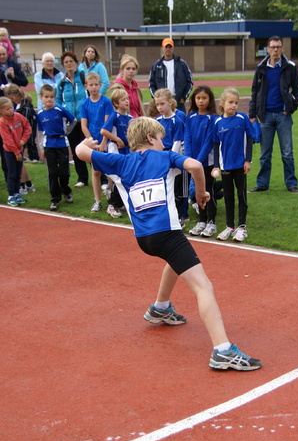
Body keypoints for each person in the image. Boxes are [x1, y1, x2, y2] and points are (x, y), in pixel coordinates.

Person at [76, 116, 262, 371]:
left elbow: (80, 151)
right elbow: (196, 166)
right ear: (151, 138)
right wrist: (200, 193)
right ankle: (222, 350)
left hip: (144, 239)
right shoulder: (164, 157)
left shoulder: (120, 161)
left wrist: (86, 142)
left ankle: (160, 308)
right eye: (161, 138)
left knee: (175, 260)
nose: (163, 142)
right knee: (203, 287)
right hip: (167, 234)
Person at [248, 36, 298, 193]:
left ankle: (291, 184)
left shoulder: (290, 67)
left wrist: (290, 108)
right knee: (265, 154)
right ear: (268, 49)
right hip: (265, 116)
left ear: (283, 48)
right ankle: (262, 184)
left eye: (278, 47)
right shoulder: (261, 68)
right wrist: (253, 114)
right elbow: (255, 92)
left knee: (287, 152)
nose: (275, 50)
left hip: (283, 115)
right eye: (273, 47)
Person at [212, 88, 254, 242]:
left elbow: (249, 140)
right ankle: (229, 226)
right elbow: (216, 146)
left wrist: (248, 160)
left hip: (240, 165)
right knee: (228, 197)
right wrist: (216, 165)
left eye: (236, 103)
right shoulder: (217, 122)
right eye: (231, 102)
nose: (234, 105)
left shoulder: (242, 119)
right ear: (222, 104)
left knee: (241, 196)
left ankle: (241, 227)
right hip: (225, 166)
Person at [185, 85, 218, 238]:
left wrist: (197, 162)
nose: (201, 101)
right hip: (194, 162)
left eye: (204, 98)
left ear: (210, 99)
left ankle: (211, 222)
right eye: (198, 98)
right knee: (199, 191)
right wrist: (190, 160)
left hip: (207, 162)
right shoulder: (191, 117)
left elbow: (209, 142)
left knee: (208, 191)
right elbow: (188, 138)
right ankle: (202, 221)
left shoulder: (213, 118)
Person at [37, 84, 75, 211]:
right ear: (41, 97)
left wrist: (66, 132)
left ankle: (66, 190)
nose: (49, 99)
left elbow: (73, 120)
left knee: (64, 172)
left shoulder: (60, 110)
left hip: (62, 144)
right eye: (46, 97)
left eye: (52, 97)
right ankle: (55, 198)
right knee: (52, 173)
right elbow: (40, 132)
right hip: (49, 145)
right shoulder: (40, 114)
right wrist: (42, 148)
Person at [80, 72, 114, 213]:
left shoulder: (106, 102)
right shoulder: (85, 104)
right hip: (93, 143)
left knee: (110, 172)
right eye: (91, 85)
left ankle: (112, 199)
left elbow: (107, 124)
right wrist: (92, 143)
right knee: (95, 172)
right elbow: (83, 125)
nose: (94, 88)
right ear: (86, 86)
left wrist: (103, 143)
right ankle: (97, 201)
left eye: (96, 85)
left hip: (105, 141)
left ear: (100, 85)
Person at [154, 88, 187, 224]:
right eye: (157, 104)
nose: (159, 107)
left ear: (170, 103)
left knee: (179, 187)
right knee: (164, 187)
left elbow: (177, 142)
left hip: (174, 157)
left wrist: (169, 159)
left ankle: (181, 215)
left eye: (162, 104)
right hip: (161, 155)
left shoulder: (177, 121)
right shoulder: (157, 120)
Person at [55, 50, 89, 187]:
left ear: (76, 63)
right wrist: (63, 111)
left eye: (71, 61)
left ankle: (102, 178)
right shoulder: (62, 82)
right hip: (70, 121)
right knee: (76, 150)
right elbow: (57, 99)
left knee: (90, 148)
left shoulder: (82, 77)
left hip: (85, 120)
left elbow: (90, 93)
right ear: (63, 65)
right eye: (66, 62)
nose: (69, 64)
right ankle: (82, 178)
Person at [100, 86, 133, 218]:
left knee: (126, 176)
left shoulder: (130, 117)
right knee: (117, 177)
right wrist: (116, 139)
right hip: (116, 149)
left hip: (127, 149)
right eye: (123, 99)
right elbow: (104, 131)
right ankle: (112, 204)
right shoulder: (114, 116)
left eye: (127, 98)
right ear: (116, 103)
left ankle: (120, 202)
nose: (127, 101)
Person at [0, 97, 31, 207]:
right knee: (12, 173)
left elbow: (27, 127)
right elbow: (7, 140)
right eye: (7, 109)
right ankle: (11, 195)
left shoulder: (18, 117)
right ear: (1, 111)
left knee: (18, 173)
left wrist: (23, 140)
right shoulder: (2, 122)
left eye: (11, 107)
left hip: (20, 149)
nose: (10, 110)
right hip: (10, 151)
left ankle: (17, 193)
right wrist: (16, 152)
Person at [149, 38, 193, 113]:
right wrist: (156, 98)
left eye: (170, 47)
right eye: (166, 47)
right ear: (162, 48)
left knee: (180, 122)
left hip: (178, 102)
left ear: (173, 48)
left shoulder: (181, 64)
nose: (168, 49)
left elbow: (189, 81)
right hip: (163, 101)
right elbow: (151, 84)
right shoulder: (156, 65)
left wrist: (183, 97)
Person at [5, 84, 39, 163]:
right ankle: (23, 155)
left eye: (12, 98)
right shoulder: (17, 105)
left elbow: (26, 120)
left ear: (17, 95)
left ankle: (34, 157)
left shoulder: (25, 107)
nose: (12, 100)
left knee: (30, 140)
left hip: (28, 126)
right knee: (21, 141)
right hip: (20, 127)